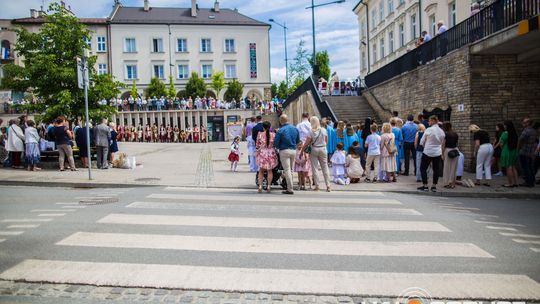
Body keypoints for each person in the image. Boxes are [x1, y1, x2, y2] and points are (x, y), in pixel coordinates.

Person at [303, 116, 331, 192]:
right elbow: (326, 141)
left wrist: (303, 150)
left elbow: (307, 143)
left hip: (314, 149)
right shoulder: (323, 130)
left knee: (315, 168)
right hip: (323, 148)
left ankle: (317, 186)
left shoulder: (311, 131)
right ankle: (328, 186)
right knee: (325, 167)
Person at [274, 114, 300, 195]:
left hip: (284, 150)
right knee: (291, 170)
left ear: (281, 121)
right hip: (293, 150)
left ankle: (290, 188)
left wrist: (278, 147)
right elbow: (298, 140)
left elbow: (276, 142)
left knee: (287, 170)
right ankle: (290, 186)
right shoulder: (295, 128)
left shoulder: (281, 130)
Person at [418, 116, 445, 192]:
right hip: (437, 152)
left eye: (429, 121)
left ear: (433, 121)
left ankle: (425, 185)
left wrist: (426, 146)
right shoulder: (441, 131)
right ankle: (434, 186)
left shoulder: (428, 130)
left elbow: (421, 142)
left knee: (423, 168)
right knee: (436, 169)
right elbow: (442, 143)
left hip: (427, 152)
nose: (428, 123)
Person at [256, 121, 278, 193]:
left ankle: (260, 186)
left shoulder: (260, 134)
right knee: (270, 170)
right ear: (270, 127)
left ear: (263, 127)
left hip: (262, 153)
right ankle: (268, 186)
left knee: (261, 171)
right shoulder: (273, 134)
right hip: (271, 153)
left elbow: (257, 145)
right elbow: (275, 144)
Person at [498, 120, 519, 188]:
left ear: (507, 126)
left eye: (505, 125)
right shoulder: (514, 133)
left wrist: (502, 148)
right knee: (513, 167)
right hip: (514, 151)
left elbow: (501, 143)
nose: (504, 126)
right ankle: (516, 183)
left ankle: (510, 183)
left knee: (508, 167)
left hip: (507, 150)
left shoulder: (505, 133)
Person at [518, 118, 537, 187]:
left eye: (524, 122)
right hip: (531, 152)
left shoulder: (526, 131)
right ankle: (532, 181)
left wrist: (518, 148)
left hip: (524, 152)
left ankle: (528, 182)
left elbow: (520, 140)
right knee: (530, 167)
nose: (522, 123)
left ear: (528, 123)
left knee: (525, 168)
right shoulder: (534, 131)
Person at [442, 122, 459, 189]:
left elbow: (443, 145)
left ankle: (447, 183)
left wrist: (442, 154)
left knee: (447, 168)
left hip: (448, 150)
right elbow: (457, 143)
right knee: (454, 168)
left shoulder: (445, 134)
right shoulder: (455, 134)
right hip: (455, 150)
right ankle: (452, 183)